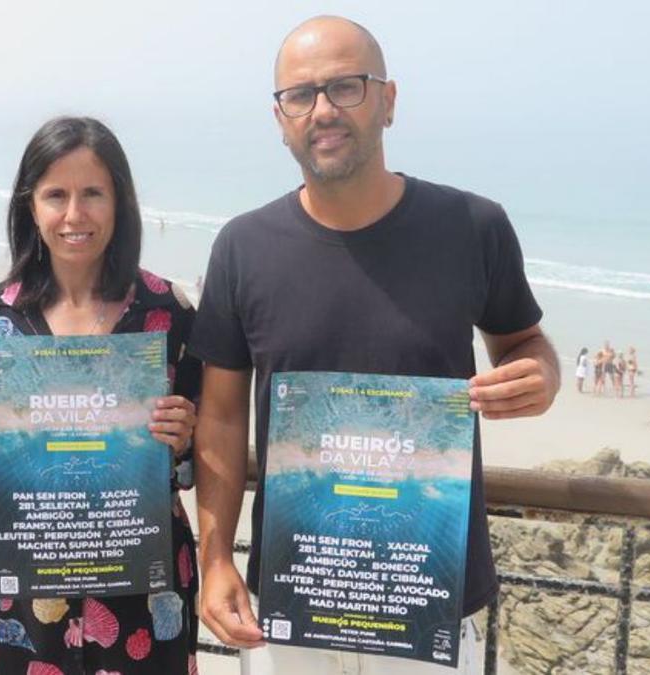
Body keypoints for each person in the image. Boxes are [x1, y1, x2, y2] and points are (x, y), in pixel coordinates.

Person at [188, 16, 560, 674]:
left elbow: (523, 341)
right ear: (280, 118)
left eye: (346, 86)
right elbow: (220, 414)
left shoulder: (473, 227)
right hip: (297, 591)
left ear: (388, 101)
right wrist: (216, 557)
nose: (323, 109)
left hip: (430, 592)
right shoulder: (242, 247)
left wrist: (540, 376)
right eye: (300, 94)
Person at [0, 117, 202, 673]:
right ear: (29, 205)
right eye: (56, 195)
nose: (74, 215)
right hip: (26, 584)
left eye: (93, 194)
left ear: (120, 202)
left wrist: (183, 440)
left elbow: (191, 465)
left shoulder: (169, 311)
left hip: (141, 584)